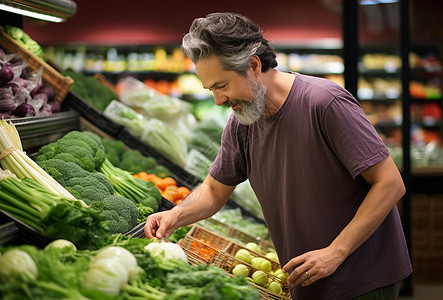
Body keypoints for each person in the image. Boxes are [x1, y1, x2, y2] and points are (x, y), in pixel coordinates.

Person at [144, 12, 412, 300]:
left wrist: (336, 252)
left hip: (361, 280)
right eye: (211, 89)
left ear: (253, 65)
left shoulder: (325, 103)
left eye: (222, 86)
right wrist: (175, 215)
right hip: (306, 281)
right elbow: (213, 189)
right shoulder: (241, 124)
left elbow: (390, 183)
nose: (218, 100)